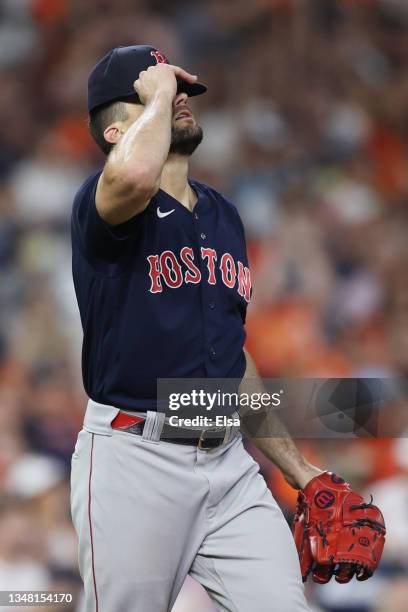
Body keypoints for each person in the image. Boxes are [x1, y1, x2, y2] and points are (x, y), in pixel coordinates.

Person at [69, 44, 322, 612]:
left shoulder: (223, 214)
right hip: (136, 461)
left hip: (227, 461)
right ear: (115, 132)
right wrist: (158, 93)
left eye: (179, 91)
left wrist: (299, 469)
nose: (177, 97)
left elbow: (232, 359)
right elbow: (134, 176)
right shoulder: (103, 202)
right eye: (155, 94)